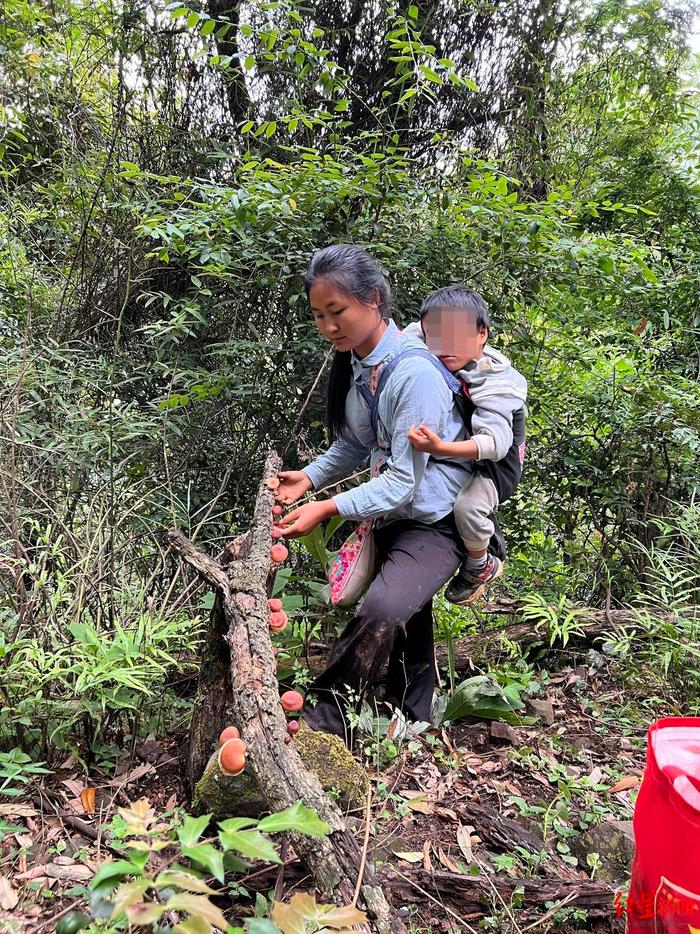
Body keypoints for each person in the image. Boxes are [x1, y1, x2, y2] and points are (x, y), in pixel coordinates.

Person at [274, 245, 470, 741]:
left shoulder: (415, 373)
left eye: (337, 312)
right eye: (319, 315)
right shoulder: (362, 369)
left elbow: (405, 480)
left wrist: (328, 506)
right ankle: (416, 712)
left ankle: (327, 716)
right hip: (395, 517)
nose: (328, 326)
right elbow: (356, 443)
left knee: (384, 607)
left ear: (374, 299)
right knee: (409, 607)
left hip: (435, 522)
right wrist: (311, 478)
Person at [406, 286, 527, 606]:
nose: (444, 345)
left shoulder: (496, 382)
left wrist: (441, 448)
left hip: (496, 463)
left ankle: (480, 564)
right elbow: (407, 336)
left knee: (468, 507)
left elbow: (496, 445)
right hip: (462, 446)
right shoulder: (430, 347)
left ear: (482, 334)